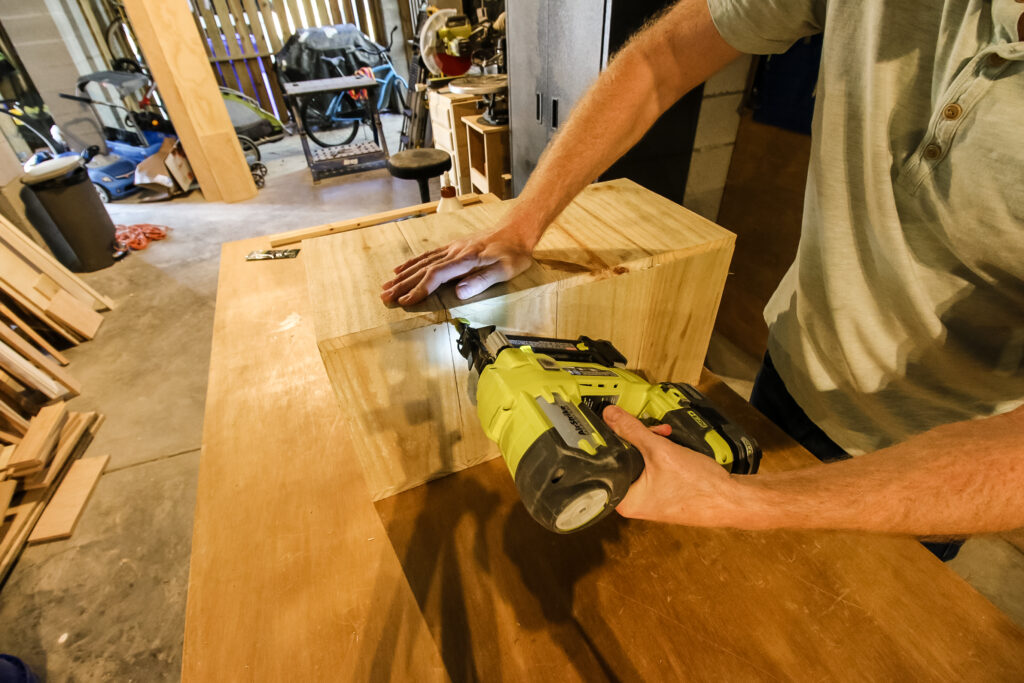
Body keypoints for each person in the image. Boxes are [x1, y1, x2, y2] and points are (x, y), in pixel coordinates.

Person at [381, 0, 1024, 548]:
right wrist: (523, 221)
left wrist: (754, 505)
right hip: (794, 368)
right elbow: (661, 60)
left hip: (944, 464)